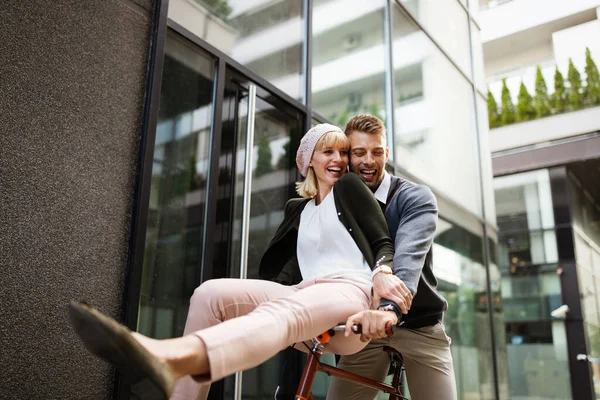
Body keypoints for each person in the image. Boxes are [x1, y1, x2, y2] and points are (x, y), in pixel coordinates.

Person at [68, 123, 398, 400]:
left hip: (349, 296)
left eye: (343, 152)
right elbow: (287, 267)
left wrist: (382, 290)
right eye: (328, 152)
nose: (339, 159)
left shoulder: (351, 188)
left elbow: (382, 241)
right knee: (210, 294)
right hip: (304, 292)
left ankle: (170, 356)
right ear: (309, 160)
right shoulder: (298, 209)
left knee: (285, 312)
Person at [327, 114, 457, 400]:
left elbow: (407, 258)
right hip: (365, 329)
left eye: (376, 152)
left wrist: (388, 310)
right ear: (348, 157)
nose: (368, 161)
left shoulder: (414, 198)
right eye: (359, 153)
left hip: (418, 324)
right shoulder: (336, 202)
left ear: (386, 153)